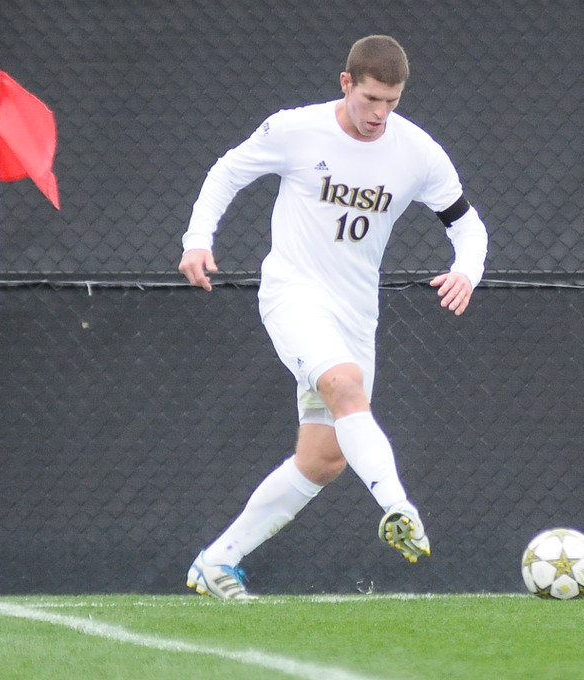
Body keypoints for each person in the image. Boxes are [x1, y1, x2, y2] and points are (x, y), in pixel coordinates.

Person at [179, 35, 489, 599]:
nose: (379, 114)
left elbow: (467, 223)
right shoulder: (297, 130)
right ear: (346, 84)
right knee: (345, 387)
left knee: (323, 461)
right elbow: (228, 172)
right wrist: (198, 239)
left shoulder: (417, 152)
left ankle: (216, 561)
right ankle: (398, 508)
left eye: (391, 102)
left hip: (355, 312)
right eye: (371, 99)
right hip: (293, 294)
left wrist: (466, 269)